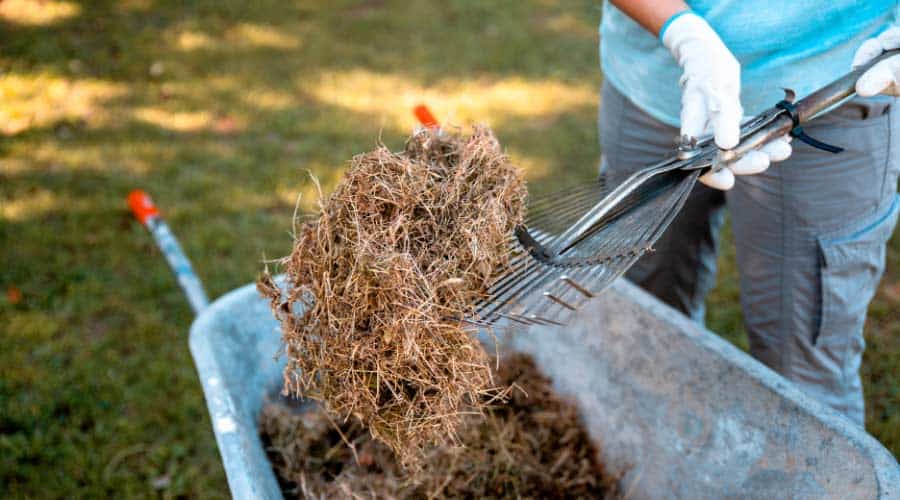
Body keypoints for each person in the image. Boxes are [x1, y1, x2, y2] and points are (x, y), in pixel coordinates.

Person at [600, 0, 900, 426]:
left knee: (803, 375)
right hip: (655, 80)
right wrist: (681, 31)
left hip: (833, 93)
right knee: (644, 321)